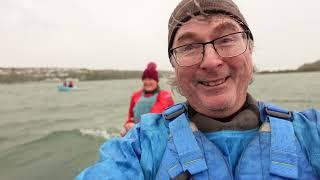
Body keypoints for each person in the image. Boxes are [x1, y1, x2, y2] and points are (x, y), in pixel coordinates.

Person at [76, 0, 320, 179]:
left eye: (226, 39)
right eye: (190, 46)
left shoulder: (312, 133)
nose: (211, 61)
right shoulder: (140, 147)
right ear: (174, 67)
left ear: (250, 49)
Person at [120, 62, 174, 136]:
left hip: (158, 134)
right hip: (138, 134)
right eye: (145, 79)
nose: (147, 82)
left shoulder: (166, 96)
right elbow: (131, 117)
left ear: (156, 81)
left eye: (150, 79)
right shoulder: (135, 96)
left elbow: (169, 118)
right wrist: (127, 125)